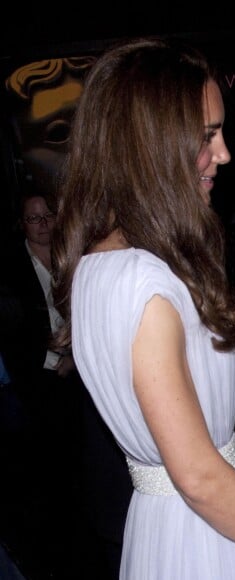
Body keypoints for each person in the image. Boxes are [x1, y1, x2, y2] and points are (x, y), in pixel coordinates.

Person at [51, 37, 235, 580]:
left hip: (169, 521)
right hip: (200, 531)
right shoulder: (147, 282)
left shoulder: (98, 267)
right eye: (207, 136)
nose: (225, 154)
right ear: (153, 143)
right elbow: (196, 476)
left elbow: (187, 454)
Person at [0, 189, 87, 579]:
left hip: (79, 372)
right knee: (44, 469)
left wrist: (75, 357)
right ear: (23, 224)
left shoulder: (73, 255)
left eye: (47, 216)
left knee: (79, 458)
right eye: (33, 219)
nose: (42, 225)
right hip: (35, 381)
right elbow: (11, 334)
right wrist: (54, 360)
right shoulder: (9, 266)